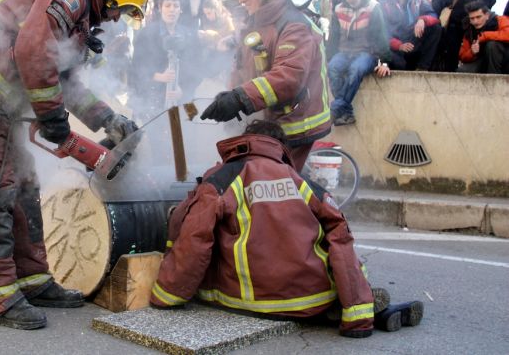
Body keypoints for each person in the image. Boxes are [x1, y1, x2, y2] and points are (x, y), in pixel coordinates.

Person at [0, 0, 148, 330]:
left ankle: (32, 279)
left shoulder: (74, 10)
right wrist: (54, 121)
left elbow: (64, 80)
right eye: (122, 8)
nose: (117, 19)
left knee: (24, 187)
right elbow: (33, 52)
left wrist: (108, 119)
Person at [149, 119, 425, 337]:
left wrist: (166, 295)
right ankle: (348, 307)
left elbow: (193, 239)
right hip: (309, 295)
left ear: (244, 142)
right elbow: (341, 237)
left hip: (246, 299)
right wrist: (358, 317)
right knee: (352, 262)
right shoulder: (302, 182)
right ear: (280, 148)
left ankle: (339, 308)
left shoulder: (221, 179)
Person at [200, 0, 332, 169]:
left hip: (296, 123)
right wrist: (232, 100)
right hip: (273, 120)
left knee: (278, 187)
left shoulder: (294, 25)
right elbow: (242, 68)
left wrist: (240, 99)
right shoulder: (255, 22)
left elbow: (289, 77)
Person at [327, 0, 392, 126]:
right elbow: (333, 38)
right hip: (344, 52)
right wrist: (328, 58)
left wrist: (385, 63)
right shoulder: (338, 9)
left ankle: (335, 109)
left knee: (356, 69)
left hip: (367, 53)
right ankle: (346, 112)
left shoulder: (373, 7)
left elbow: (381, 36)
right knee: (333, 68)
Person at [130, 0, 202, 121]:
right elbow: (136, 67)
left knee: (190, 131)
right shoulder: (146, 34)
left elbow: (197, 68)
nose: (172, 9)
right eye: (167, 5)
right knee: (159, 136)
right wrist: (157, 76)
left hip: (183, 100)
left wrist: (183, 90)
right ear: (160, 8)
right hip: (154, 100)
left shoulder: (190, 35)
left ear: (181, 9)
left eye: (176, 5)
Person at [380, 0, 442, 71]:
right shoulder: (384, 4)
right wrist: (399, 45)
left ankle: (422, 68)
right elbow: (381, 33)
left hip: (412, 41)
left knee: (436, 29)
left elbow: (434, 16)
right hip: (395, 48)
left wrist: (423, 19)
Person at [458, 0, 509, 74]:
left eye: (478, 17)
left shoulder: (500, 20)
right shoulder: (469, 30)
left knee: (492, 45)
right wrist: (472, 52)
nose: (475, 21)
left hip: (505, 59)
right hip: (482, 60)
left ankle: (493, 79)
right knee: (461, 71)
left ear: (487, 15)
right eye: (472, 18)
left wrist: (485, 36)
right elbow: (462, 55)